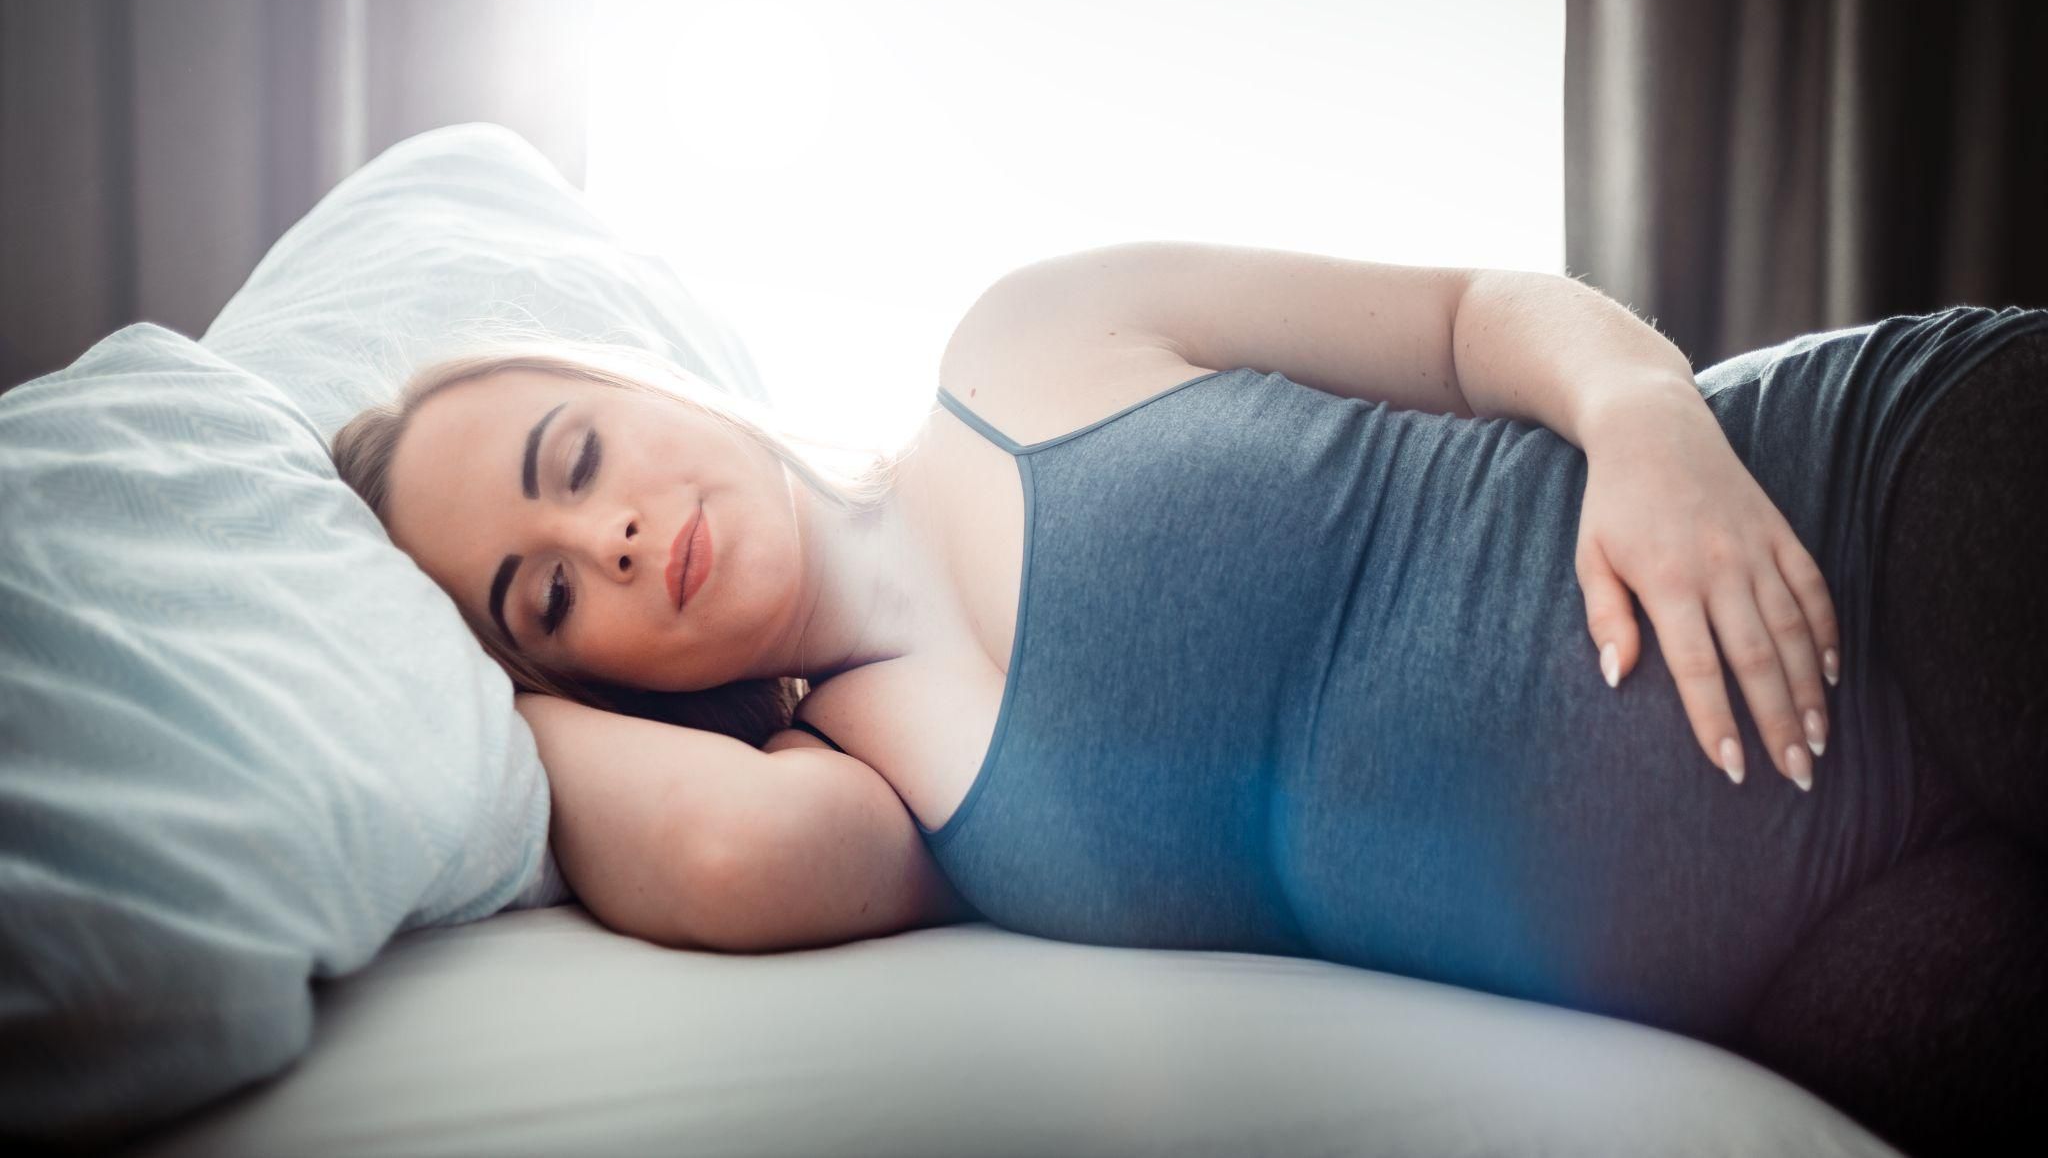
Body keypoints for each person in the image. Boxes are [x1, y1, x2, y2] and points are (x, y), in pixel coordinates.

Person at [331, 241, 2046, 1158]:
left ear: (639, 387)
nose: (613, 532)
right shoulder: (853, 794)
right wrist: (484, 666)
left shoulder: (1023, 341)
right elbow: (701, 855)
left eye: (579, 455)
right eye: (549, 586)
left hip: (1868, 509)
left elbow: (1473, 316)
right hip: (1822, 947)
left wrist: (1652, 423)